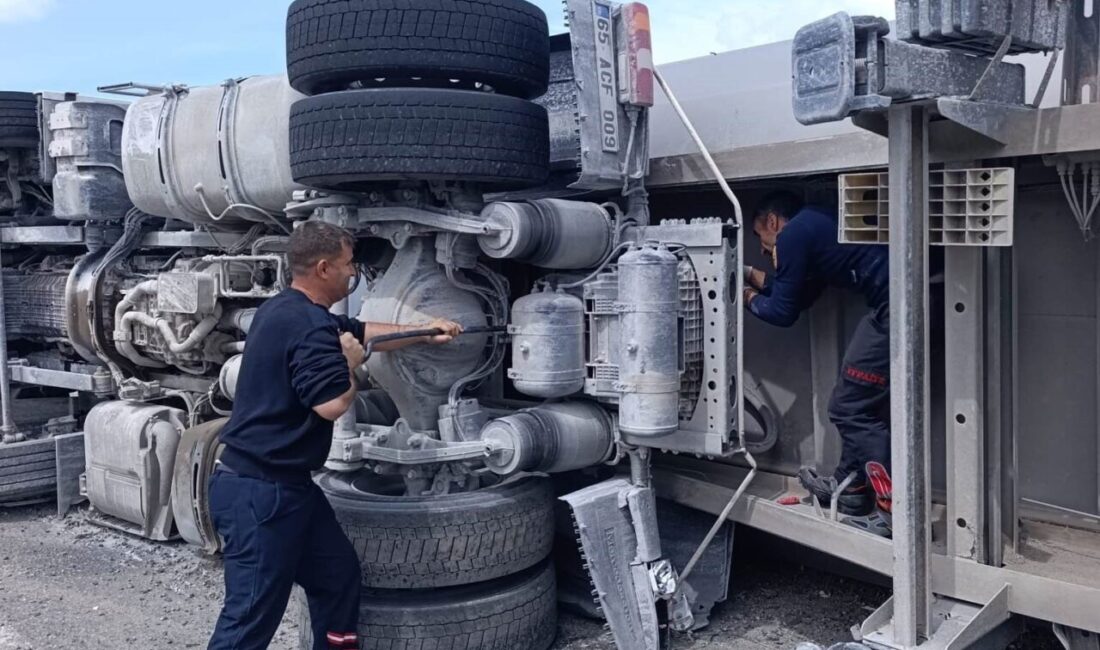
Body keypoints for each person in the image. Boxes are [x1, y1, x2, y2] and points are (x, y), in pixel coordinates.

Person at [208, 221, 463, 649]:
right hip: (261, 495)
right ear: (324, 268)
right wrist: (348, 362)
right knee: (248, 620)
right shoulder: (309, 327)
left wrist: (423, 331)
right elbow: (331, 404)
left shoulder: (286, 309)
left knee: (337, 576)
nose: (353, 273)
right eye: (348, 265)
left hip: (286, 488)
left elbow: (360, 333)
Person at [742, 192, 888, 517]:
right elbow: (798, 295)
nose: (764, 249)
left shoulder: (794, 234)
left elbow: (782, 312)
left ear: (773, 222)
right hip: (910, 297)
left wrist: (742, 296)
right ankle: (850, 489)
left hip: (899, 306)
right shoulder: (814, 225)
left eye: (761, 237)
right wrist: (747, 273)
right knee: (857, 404)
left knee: (848, 408)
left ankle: (893, 512)